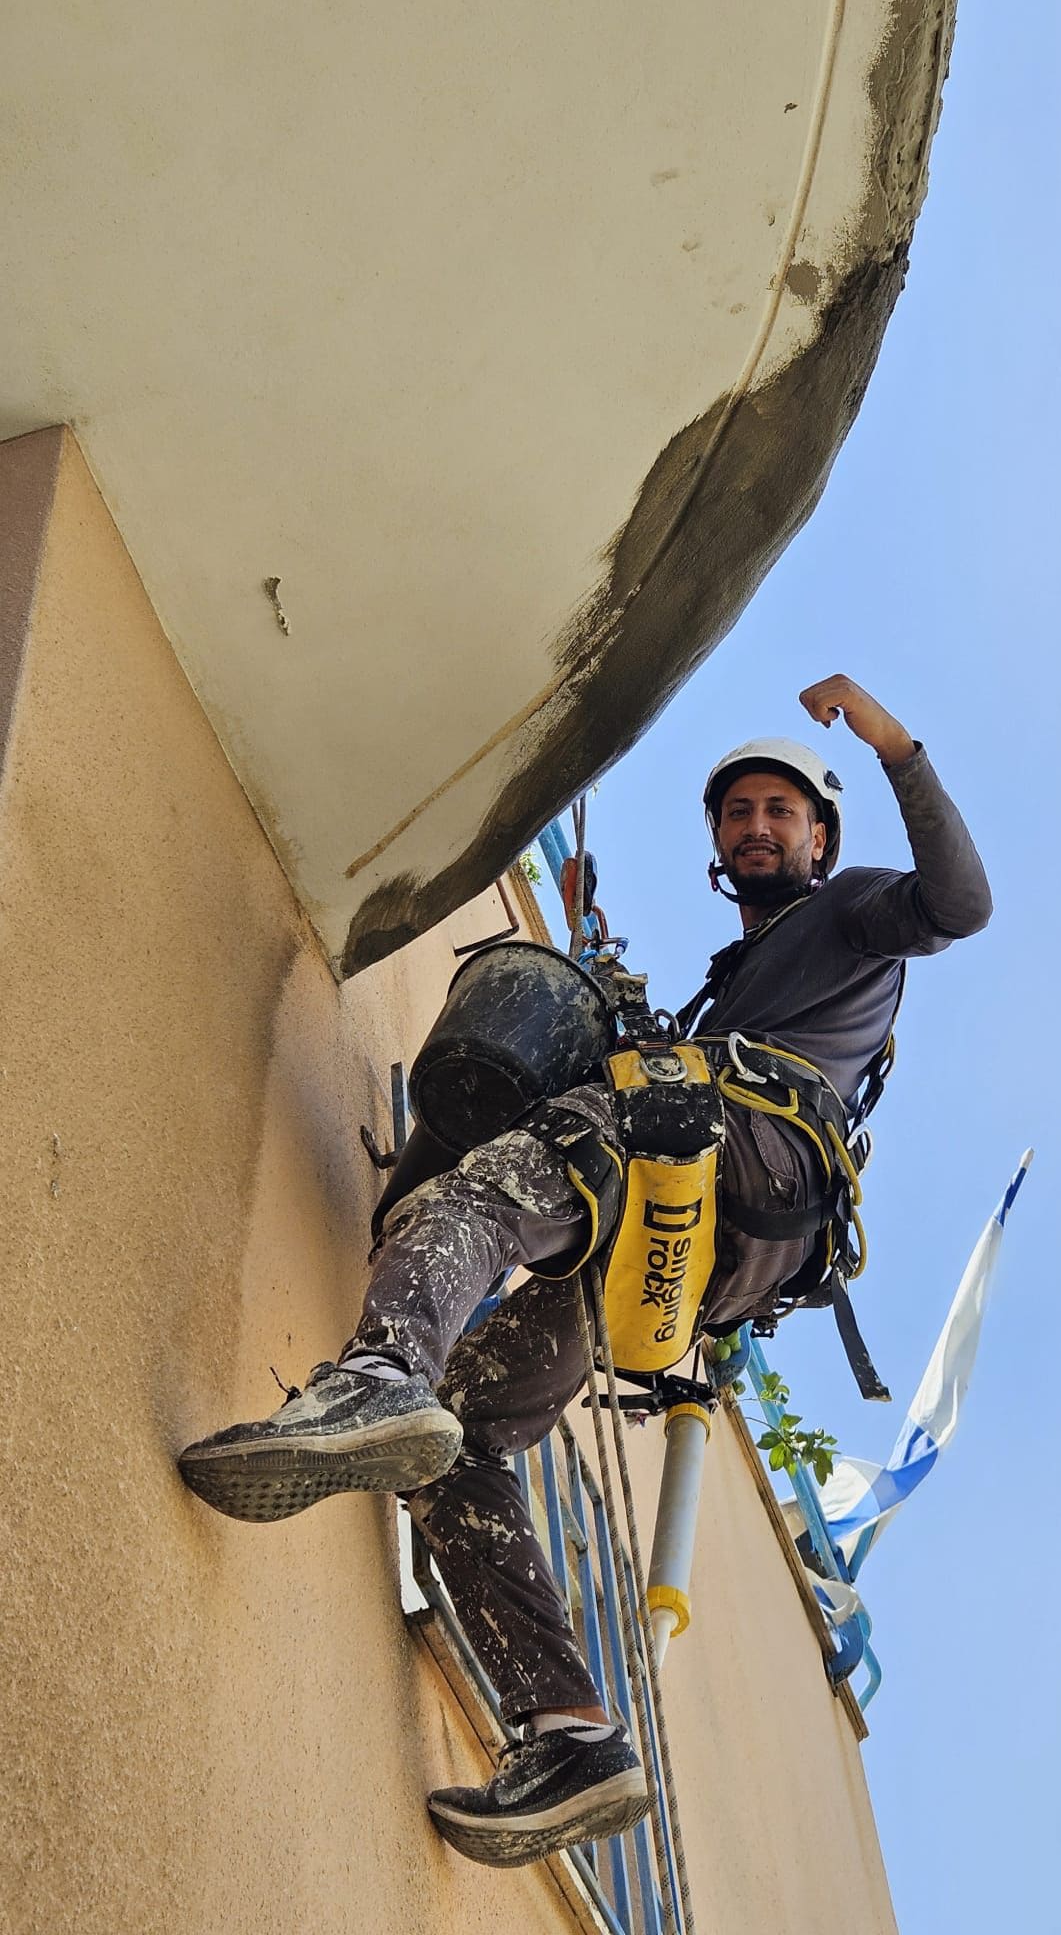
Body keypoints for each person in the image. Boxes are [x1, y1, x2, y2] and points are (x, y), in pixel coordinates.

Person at [178, 674, 991, 1867]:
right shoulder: (735, 980)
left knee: (478, 1193)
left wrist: (889, 738)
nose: (756, 826)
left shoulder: (857, 915)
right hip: (687, 1244)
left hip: (724, 1148)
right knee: (463, 1434)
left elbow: (961, 901)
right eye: (738, 812)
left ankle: (375, 1370)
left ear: (821, 838)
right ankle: (570, 1733)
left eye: (781, 810)